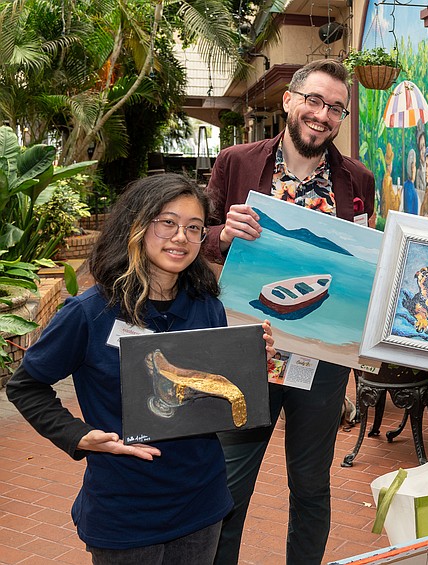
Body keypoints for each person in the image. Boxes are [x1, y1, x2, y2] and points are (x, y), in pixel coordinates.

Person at [5, 174, 275, 564]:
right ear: (136, 224)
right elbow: (26, 386)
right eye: (167, 222)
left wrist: (249, 361)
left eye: (194, 227)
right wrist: (78, 436)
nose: (180, 237)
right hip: (125, 508)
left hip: (201, 502)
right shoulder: (89, 313)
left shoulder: (206, 306)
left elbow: (212, 391)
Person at [201, 58, 375, 565]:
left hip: (321, 362)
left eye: (336, 108)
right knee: (229, 485)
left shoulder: (356, 180)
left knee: (311, 486)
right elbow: (199, 236)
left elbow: (361, 266)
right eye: (314, 101)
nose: (323, 115)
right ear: (289, 101)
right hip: (247, 352)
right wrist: (222, 235)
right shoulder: (236, 162)